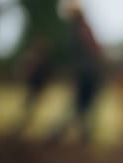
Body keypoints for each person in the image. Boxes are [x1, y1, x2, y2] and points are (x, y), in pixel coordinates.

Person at [46, 0, 104, 144]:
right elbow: (93, 49)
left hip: (85, 74)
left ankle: (66, 134)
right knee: (82, 106)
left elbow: (90, 51)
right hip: (88, 74)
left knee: (80, 106)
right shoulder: (81, 28)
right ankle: (68, 134)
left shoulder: (76, 29)